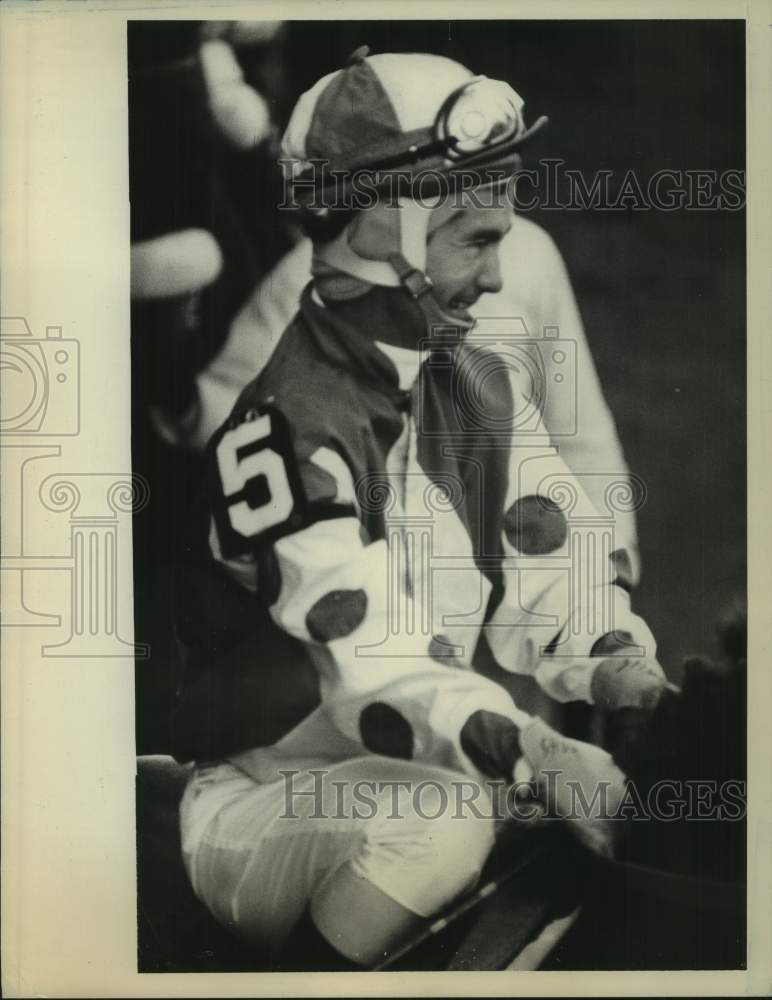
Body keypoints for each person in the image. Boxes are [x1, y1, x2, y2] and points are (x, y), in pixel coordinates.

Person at [174, 50, 668, 969]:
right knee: (445, 818)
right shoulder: (287, 427)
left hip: (406, 772)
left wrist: (623, 671)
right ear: (378, 230)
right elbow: (378, 674)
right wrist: (537, 752)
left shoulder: (475, 382)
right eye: (475, 241)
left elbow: (552, 569)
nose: (493, 277)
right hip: (250, 794)